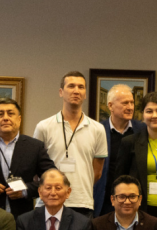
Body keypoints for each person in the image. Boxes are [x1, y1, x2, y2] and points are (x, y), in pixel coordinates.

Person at [33, 71, 108, 217]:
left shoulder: (97, 129)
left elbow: (97, 172)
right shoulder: (44, 127)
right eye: (71, 86)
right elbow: (35, 167)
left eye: (81, 87)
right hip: (48, 201)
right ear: (61, 92)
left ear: (85, 94)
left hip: (82, 202)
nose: (76, 91)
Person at [95, 84, 146, 217]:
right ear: (110, 106)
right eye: (125, 103)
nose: (130, 107)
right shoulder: (98, 131)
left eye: (132, 103)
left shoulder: (143, 130)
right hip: (105, 201)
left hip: (134, 202)